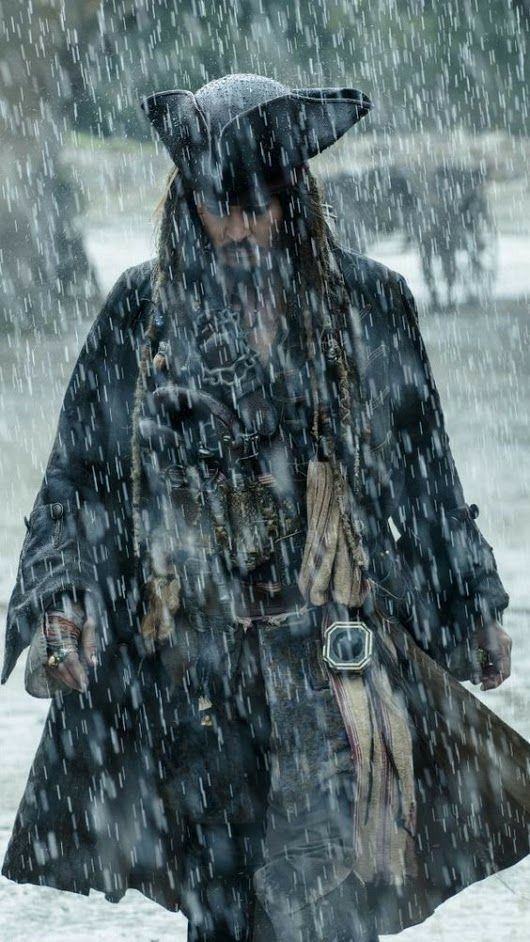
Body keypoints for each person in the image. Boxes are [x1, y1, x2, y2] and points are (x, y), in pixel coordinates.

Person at [1, 74, 528, 942]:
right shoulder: (141, 313)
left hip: (333, 668)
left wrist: (473, 604)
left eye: (260, 205)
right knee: (221, 913)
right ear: (189, 205)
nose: (243, 229)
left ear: (294, 195)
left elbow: (426, 479)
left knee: (336, 906)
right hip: (195, 682)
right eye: (223, 208)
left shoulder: (369, 305)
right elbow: (77, 483)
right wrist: (61, 607)